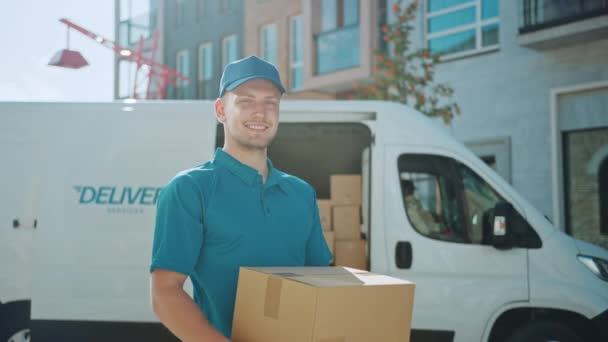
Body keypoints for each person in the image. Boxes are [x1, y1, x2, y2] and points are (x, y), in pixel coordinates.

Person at [149, 56, 332, 342]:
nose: (261, 112)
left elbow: (321, 282)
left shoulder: (301, 193)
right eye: (246, 101)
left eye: (271, 102)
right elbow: (165, 292)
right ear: (221, 110)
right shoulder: (190, 189)